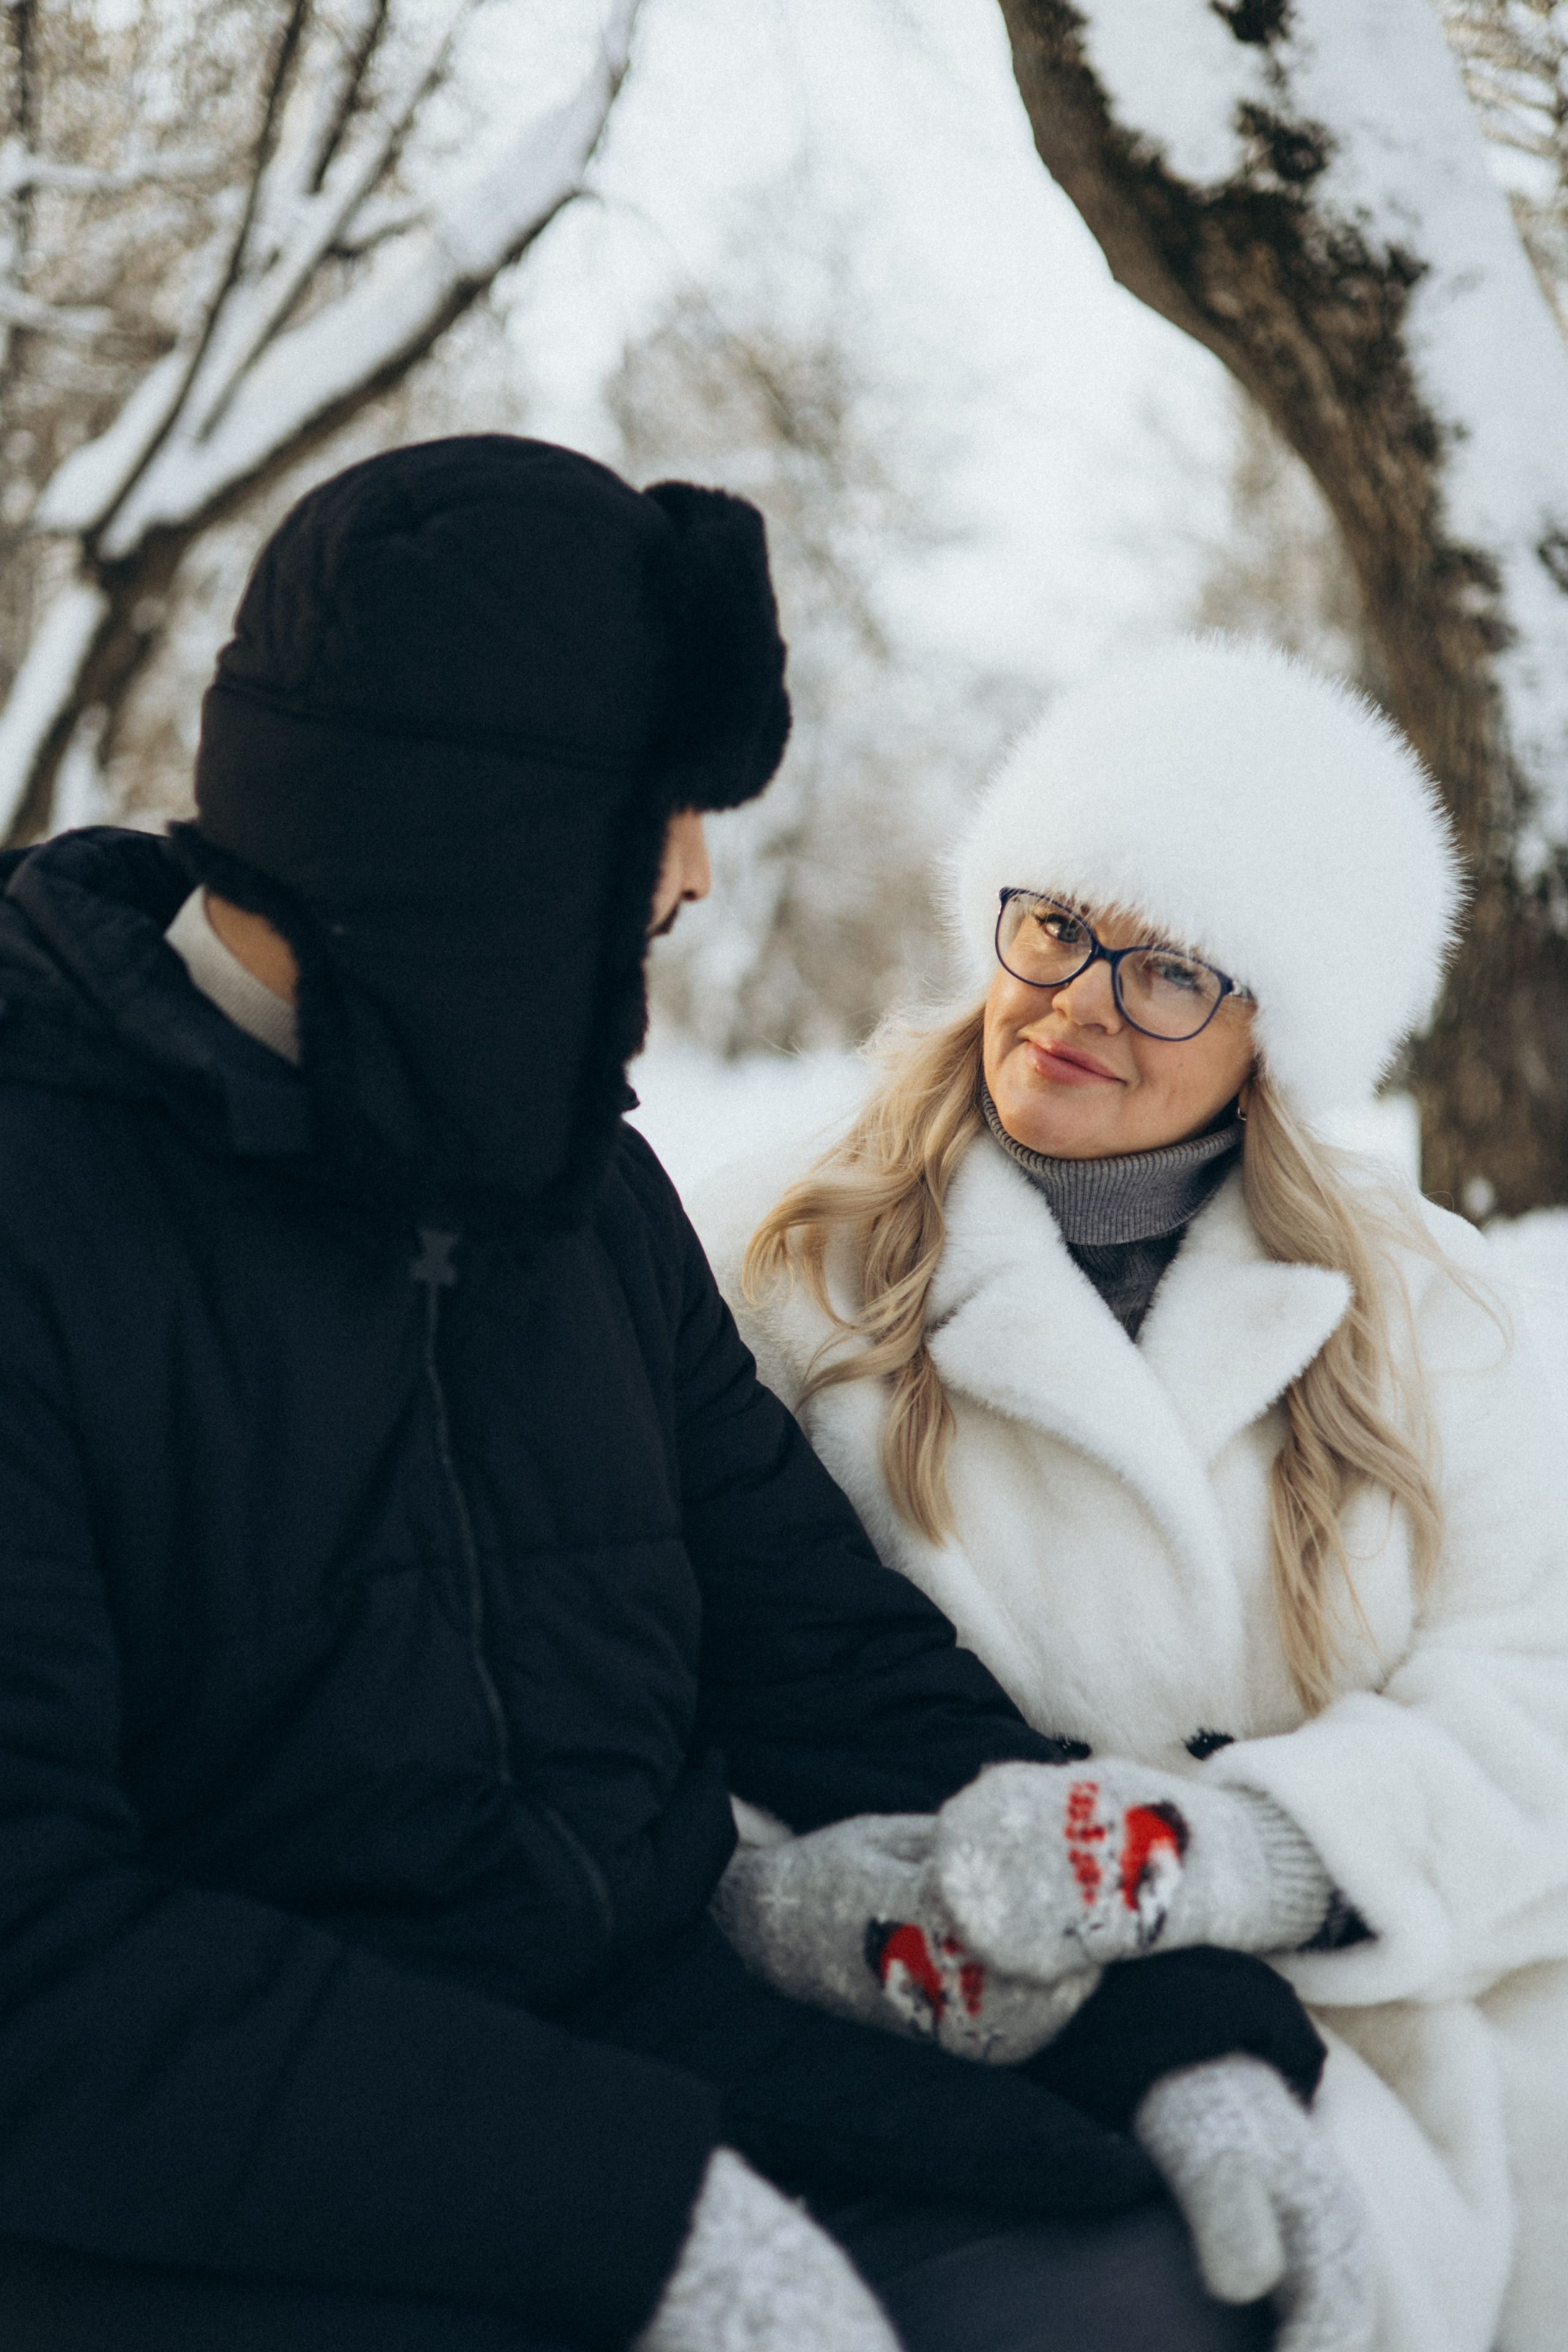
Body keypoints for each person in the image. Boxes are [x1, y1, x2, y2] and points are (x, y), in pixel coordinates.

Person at [0, 444, 1327, 2352]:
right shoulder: (42, 1200)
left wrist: (1170, 2022)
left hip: (647, 2055)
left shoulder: (572, 1190)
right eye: (658, 812)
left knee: (1146, 2291)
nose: (698, 874)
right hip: (212, 2182)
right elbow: (35, 1952)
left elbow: (831, 1658)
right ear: (463, 839)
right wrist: (626, 2215)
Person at [699, 636, 1568, 2352]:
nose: (1082, 997)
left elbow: (1536, 1695)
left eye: (1171, 967)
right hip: (937, 2047)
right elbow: (673, 1672)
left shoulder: (1433, 1310)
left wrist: (1232, 1858)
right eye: (1060, 924)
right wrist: (795, 1901)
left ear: (1278, 1026)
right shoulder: (780, 1261)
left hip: (1395, 2045)